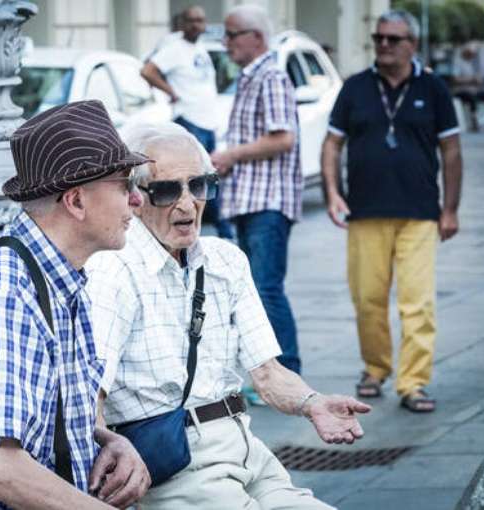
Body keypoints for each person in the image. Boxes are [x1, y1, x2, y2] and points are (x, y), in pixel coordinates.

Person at [86, 122, 371, 509]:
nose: (187, 204)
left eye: (199, 186)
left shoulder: (226, 260)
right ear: (135, 197)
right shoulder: (115, 270)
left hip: (249, 451)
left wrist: (313, 403)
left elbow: (267, 374)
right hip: (175, 463)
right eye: (168, 190)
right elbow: (90, 397)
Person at [0, 100, 151, 509]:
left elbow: (51, 410)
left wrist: (109, 439)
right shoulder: (4, 291)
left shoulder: (56, 278)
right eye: (124, 184)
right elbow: (5, 473)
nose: (137, 200)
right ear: (76, 202)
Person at [321, 10, 463, 413]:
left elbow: (451, 150)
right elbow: (332, 144)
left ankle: (413, 382)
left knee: (417, 303)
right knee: (368, 298)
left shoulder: (433, 89)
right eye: (379, 37)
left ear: (412, 45)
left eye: (393, 39)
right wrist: (333, 191)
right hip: (364, 212)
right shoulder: (355, 88)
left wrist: (449, 208)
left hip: (420, 212)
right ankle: (375, 368)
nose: (383, 44)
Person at [210, 5, 303, 383]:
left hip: (268, 201)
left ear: (257, 38)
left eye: (232, 35)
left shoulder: (271, 77)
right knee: (254, 293)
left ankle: (288, 373)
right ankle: (272, 373)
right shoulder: (251, 78)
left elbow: (283, 138)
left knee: (266, 289)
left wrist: (230, 155)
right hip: (249, 200)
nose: (226, 42)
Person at [141, 5, 233, 240]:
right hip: (189, 121)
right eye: (191, 21)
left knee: (208, 179)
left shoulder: (200, 48)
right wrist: (171, 92)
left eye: (200, 21)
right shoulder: (174, 49)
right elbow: (148, 71)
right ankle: (218, 229)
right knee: (196, 179)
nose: (196, 25)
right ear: (182, 24)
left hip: (207, 122)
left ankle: (215, 227)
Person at [451, 41, 484, 131]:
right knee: (472, 98)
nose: (472, 55)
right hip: (461, 91)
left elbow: (482, 76)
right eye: (470, 53)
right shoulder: (458, 62)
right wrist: (471, 79)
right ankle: (474, 122)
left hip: (476, 90)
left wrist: (479, 80)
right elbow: (455, 79)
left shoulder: (473, 62)